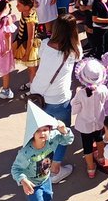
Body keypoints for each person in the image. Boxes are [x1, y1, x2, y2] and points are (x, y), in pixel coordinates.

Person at [11, 102, 74, 201]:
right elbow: (16, 169)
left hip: (45, 179)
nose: (43, 133)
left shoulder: (52, 139)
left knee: (48, 197)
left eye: (45, 129)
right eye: (38, 130)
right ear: (31, 133)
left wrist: (64, 130)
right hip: (33, 185)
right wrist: (23, 180)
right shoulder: (26, 152)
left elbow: (68, 140)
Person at [29, 16, 82, 182]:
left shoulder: (45, 45)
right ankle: (55, 170)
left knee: (40, 132)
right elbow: (79, 54)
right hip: (59, 100)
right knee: (60, 135)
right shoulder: (74, 51)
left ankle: (38, 164)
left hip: (37, 96)